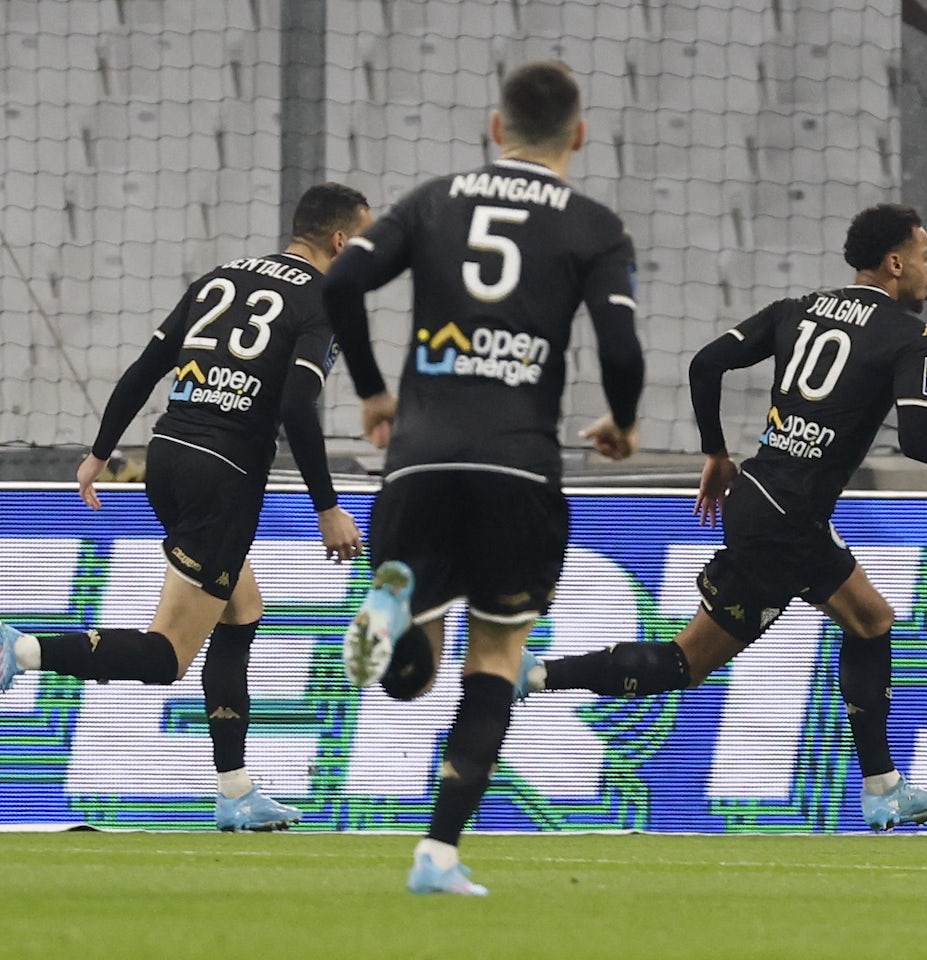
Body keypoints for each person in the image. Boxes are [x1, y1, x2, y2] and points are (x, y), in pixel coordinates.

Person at [515, 202, 927, 833]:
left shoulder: (797, 309)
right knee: (833, 629)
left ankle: (536, 675)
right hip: (789, 519)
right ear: (896, 262)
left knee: (795, 636)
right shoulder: (912, 337)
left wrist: (716, 452)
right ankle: (881, 789)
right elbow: (920, 440)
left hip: (762, 500)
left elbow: (704, 363)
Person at [321, 61, 644, 896]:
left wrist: (371, 391)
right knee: (495, 655)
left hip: (419, 456)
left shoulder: (434, 198)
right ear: (577, 134)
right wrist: (624, 419)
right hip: (518, 462)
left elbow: (344, 281)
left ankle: (393, 596)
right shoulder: (596, 226)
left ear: (495, 129)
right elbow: (619, 345)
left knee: (411, 677)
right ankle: (437, 853)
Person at [0, 182, 370, 830]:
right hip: (223, 476)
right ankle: (20, 648)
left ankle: (235, 789)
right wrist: (327, 506)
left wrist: (98, 452)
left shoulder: (220, 278)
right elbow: (292, 407)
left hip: (167, 455)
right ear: (341, 240)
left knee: (242, 607)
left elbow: (146, 368)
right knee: (168, 655)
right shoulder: (325, 299)